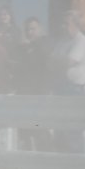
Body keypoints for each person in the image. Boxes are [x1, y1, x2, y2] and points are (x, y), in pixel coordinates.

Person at [50, 10, 85, 153]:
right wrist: (60, 62)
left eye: (66, 23)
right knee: (59, 132)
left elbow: (69, 61)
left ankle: (77, 164)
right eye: (62, 23)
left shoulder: (82, 40)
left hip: (75, 90)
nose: (63, 26)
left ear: (76, 24)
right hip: (60, 88)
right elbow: (50, 61)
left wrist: (59, 61)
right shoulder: (62, 41)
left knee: (73, 132)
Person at [14, 17, 52, 151]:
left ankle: (45, 160)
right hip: (23, 95)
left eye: (33, 29)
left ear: (40, 29)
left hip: (39, 96)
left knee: (40, 133)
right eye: (27, 30)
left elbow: (46, 71)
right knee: (24, 133)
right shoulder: (22, 48)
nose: (29, 32)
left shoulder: (45, 46)